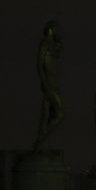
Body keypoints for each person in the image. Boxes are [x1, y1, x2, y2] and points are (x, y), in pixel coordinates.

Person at [32, 20, 64, 150]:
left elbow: (57, 53)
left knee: (46, 115)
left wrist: (59, 44)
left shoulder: (51, 44)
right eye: (56, 28)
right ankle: (39, 140)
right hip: (49, 86)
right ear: (50, 29)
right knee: (60, 114)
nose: (58, 30)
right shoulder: (44, 43)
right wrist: (45, 84)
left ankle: (39, 141)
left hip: (53, 85)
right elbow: (39, 66)